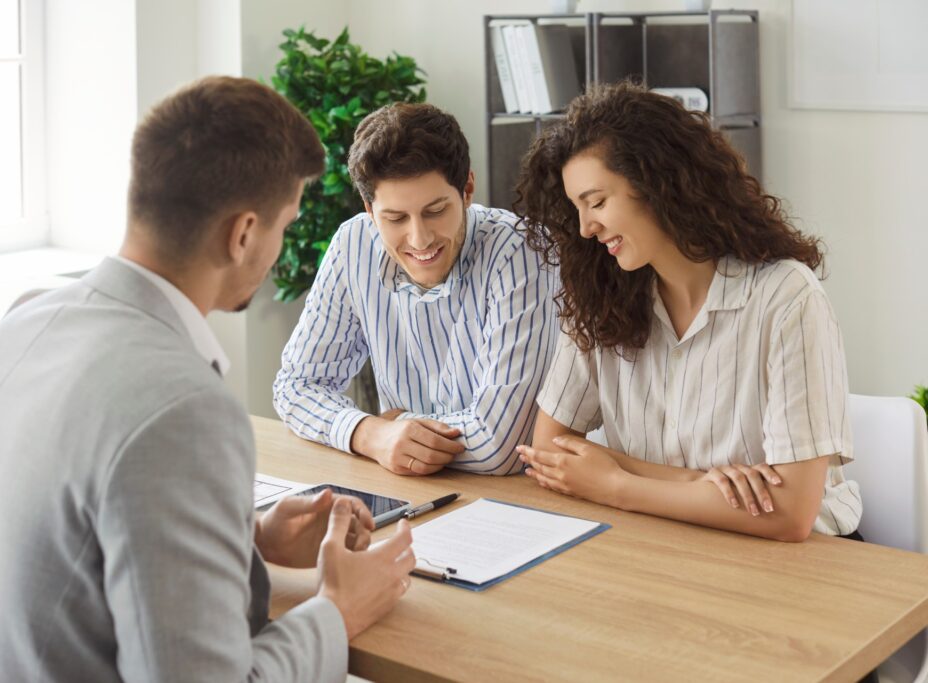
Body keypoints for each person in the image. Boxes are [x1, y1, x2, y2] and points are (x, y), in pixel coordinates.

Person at [0, 77, 415, 683]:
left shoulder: (23, 321)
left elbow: (67, 532)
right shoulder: (182, 408)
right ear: (244, 233)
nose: (278, 249)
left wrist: (244, 537)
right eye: (283, 226)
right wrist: (338, 610)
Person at [514, 82, 863, 543]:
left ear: (659, 184)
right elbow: (549, 452)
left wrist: (616, 484)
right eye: (577, 208)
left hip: (805, 561)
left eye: (597, 202)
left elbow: (792, 513)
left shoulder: (786, 298)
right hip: (668, 545)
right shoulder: (601, 296)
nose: (585, 228)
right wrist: (695, 482)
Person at [274, 103, 557, 477]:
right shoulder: (353, 243)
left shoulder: (521, 250)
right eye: (395, 218)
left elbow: (499, 446)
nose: (419, 238)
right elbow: (295, 387)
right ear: (370, 209)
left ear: (467, 189)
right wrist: (371, 433)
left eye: (435, 210)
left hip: (518, 502)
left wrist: (399, 426)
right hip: (408, 489)